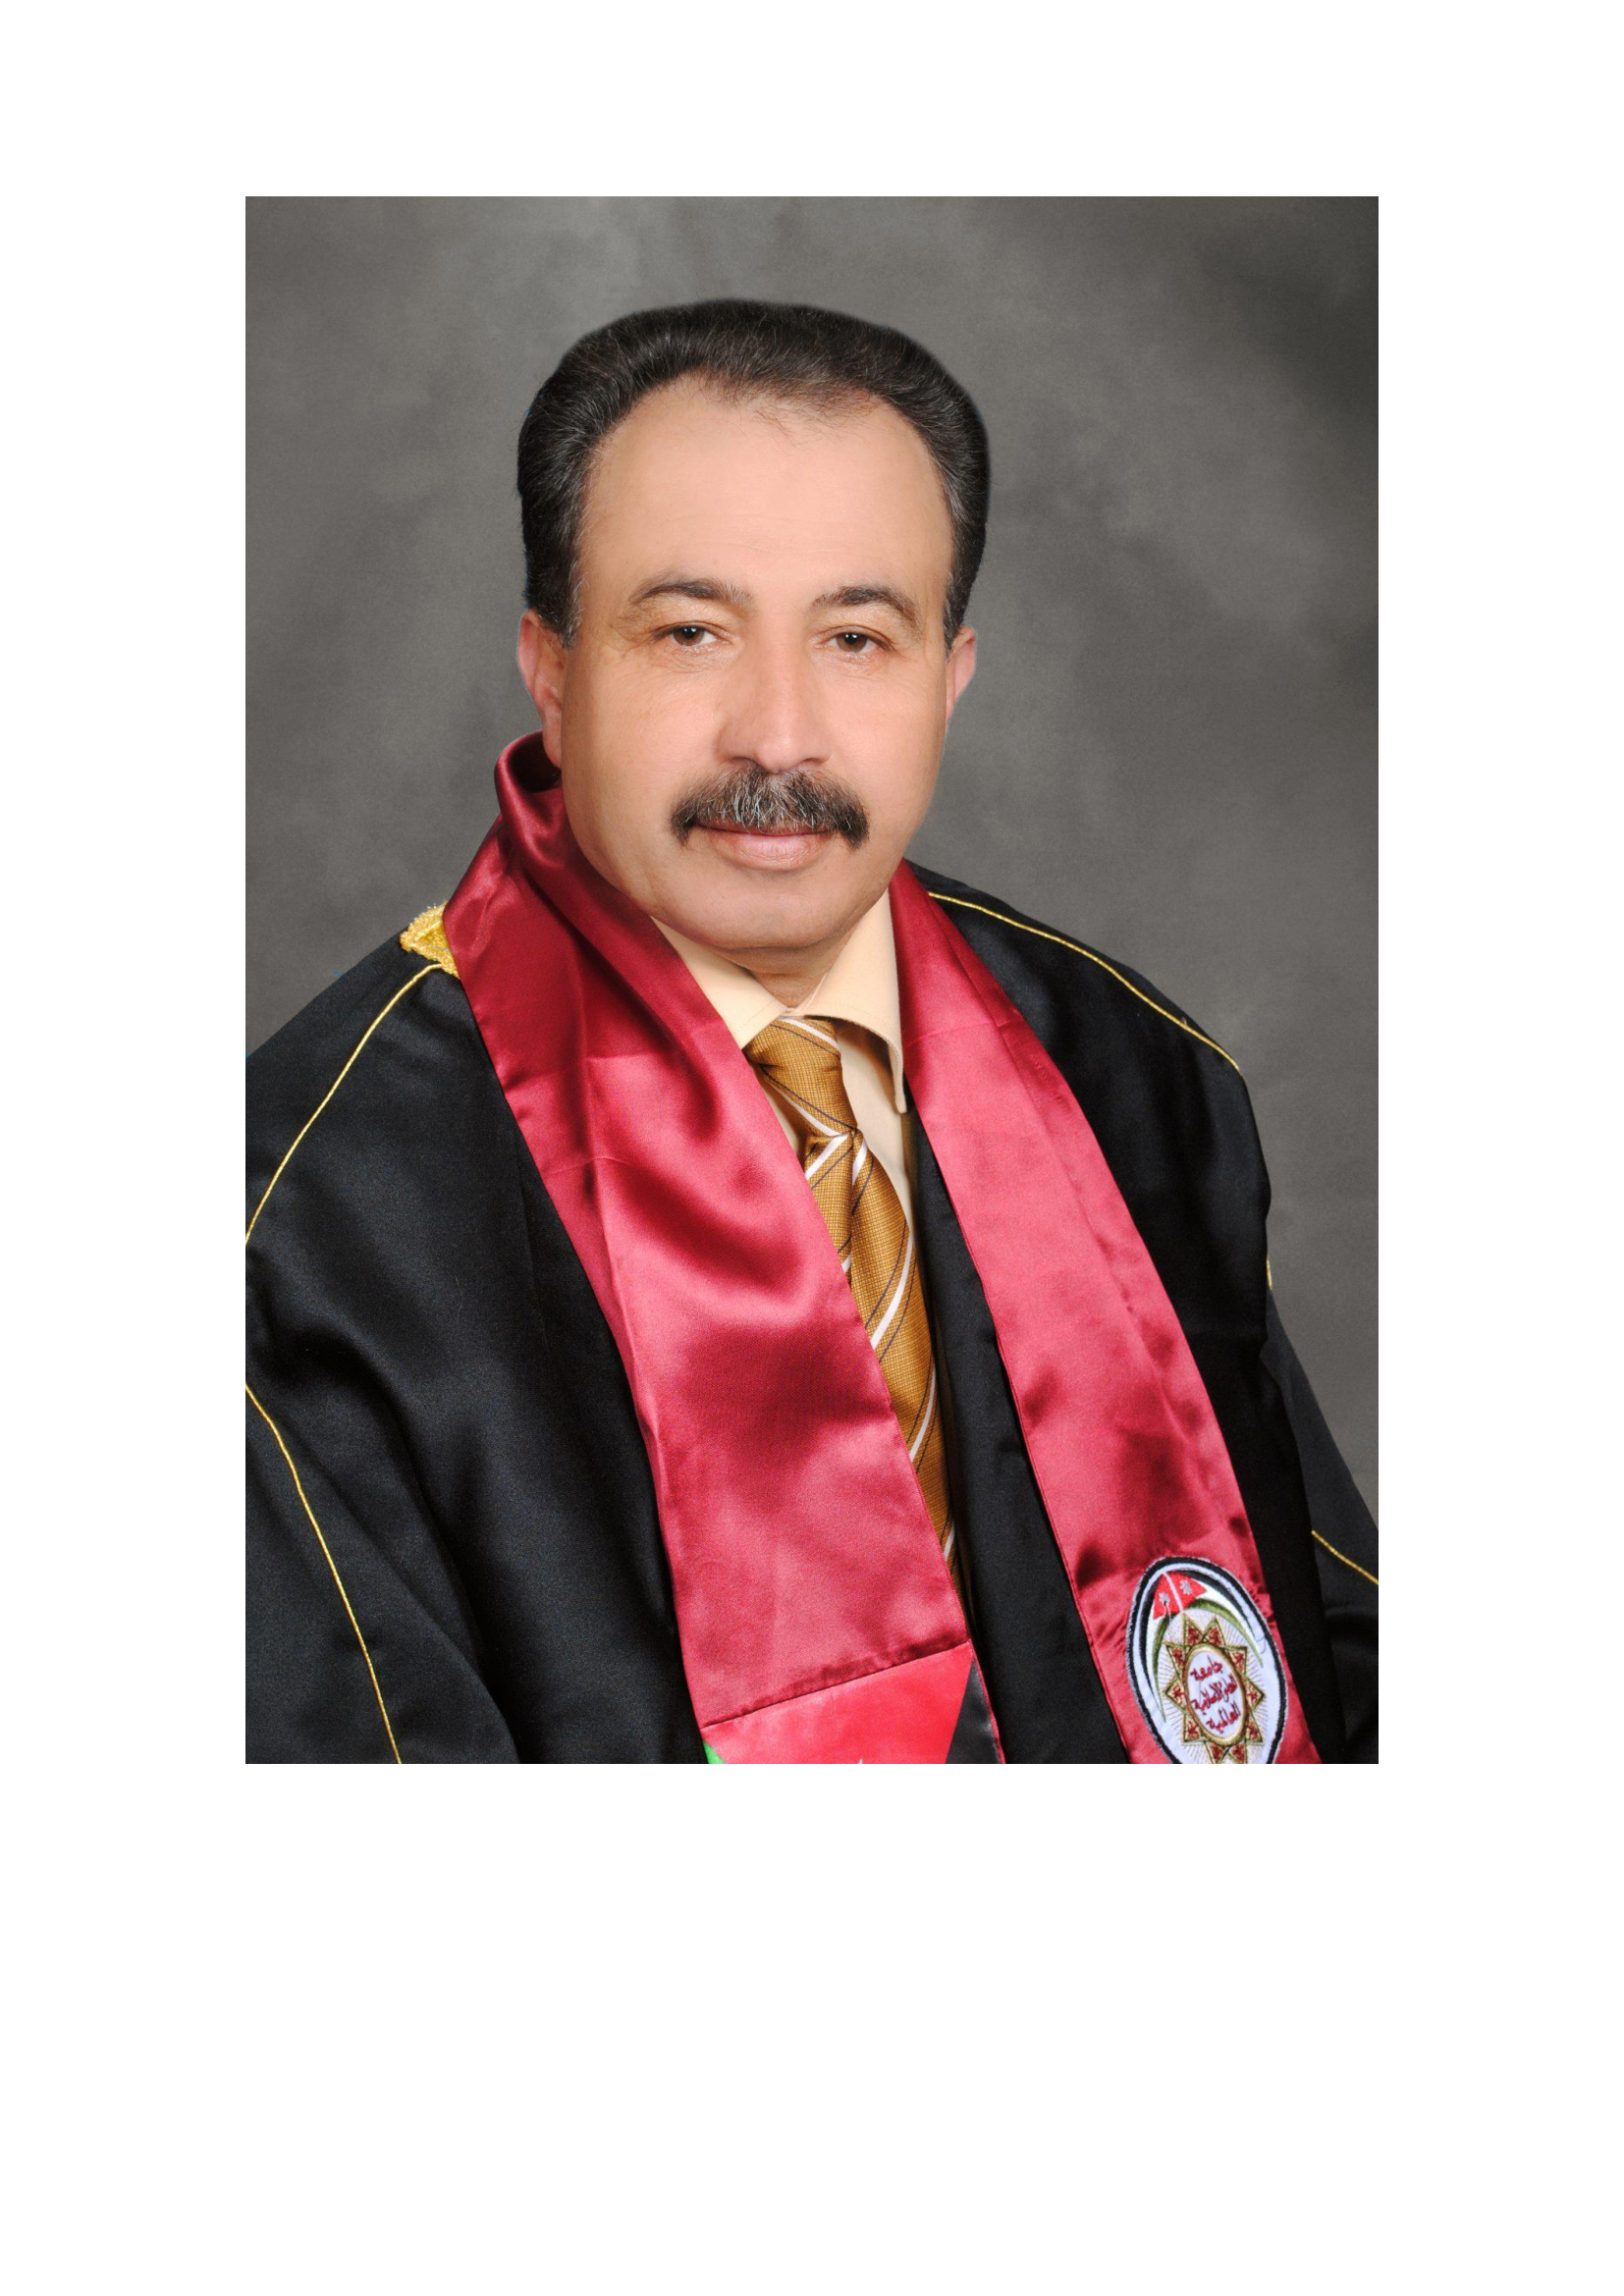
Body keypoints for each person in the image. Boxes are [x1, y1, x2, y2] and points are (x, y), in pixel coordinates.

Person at [246, 297, 1378, 1764]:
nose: (776, 736)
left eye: (856, 638)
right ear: (552, 668)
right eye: (689, 632)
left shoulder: (1134, 1073)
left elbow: (1326, 1648)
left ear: (949, 678)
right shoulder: (303, 1233)